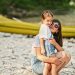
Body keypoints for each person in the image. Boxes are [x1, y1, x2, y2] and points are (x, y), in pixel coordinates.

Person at [31, 10, 71, 75]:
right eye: (52, 24)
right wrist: (52, 60)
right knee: (50, 63)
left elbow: (61, 51)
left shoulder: (52, 38)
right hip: (38, 64)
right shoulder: (39, 36)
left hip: (48, 59)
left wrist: (55, 43)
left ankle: (53, 72)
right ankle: (52, 73)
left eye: (56, 26)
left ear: (57, 30)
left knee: (66, 55)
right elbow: (38, 56)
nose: (52, 25)